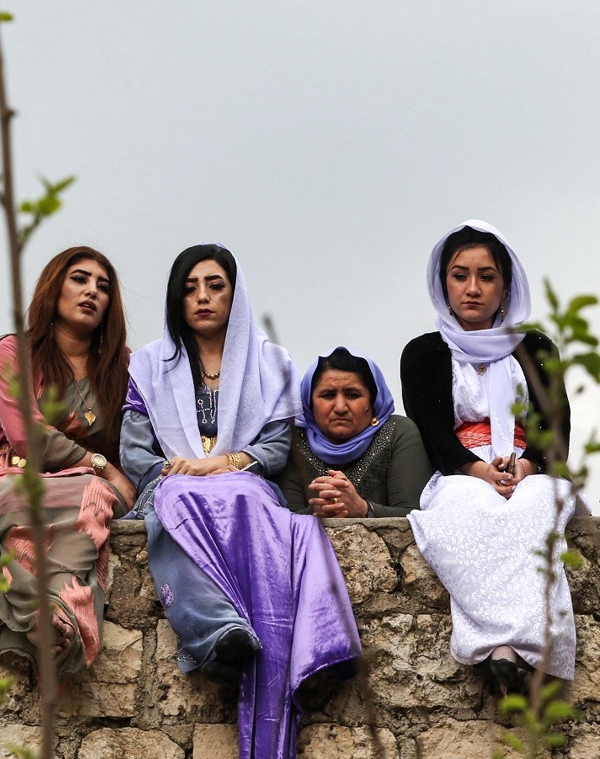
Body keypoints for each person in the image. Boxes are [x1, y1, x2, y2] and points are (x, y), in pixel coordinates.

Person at [121, 244, 359, 758]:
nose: (202, 297)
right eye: (190, 288)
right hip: (173, 480)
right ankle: (216, 632)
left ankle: (266, 642)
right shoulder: (147, 365)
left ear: (236, 294)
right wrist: (175, 469)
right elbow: (135, 450)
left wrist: (222, 464)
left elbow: (277, 447)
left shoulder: (271, 363)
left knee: (248, 501)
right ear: (176, 299)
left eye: (215, 286)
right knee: (176, 499)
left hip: (244, 482)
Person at [402, 220, 582, 694]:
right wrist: (478, 469)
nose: (473, 288)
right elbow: (433, 431)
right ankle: (501, 650)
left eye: (487, 277)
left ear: (505, 286)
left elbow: (555, 425)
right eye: (460, 275)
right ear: (444, 283)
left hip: (530, 466)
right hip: (462, 469)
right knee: (465, 512)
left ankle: (519, 650)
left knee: (535, 508)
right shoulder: (422, 354)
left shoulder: (536, 347)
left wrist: (524, 466)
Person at [0, 246, 134, 678]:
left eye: (103, 287)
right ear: (55, 287)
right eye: (80, 279)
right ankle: (48, 616)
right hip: (16, 477)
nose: (91, 291)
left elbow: (138, 435)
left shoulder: (123, 366)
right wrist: (98, 462)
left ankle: (52, 619)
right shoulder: (14, 353)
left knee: (90, 498)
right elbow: (26, 436)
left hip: (87, 490)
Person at [279, 347, 432, 517]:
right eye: (328, 395)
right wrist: (320, 510)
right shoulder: (293, 439)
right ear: (309, 403)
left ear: (373, 401)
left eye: (352, 395)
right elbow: (283, 522)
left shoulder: (398, 432)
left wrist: (363, 509)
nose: (340, 407)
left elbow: (416, 516)